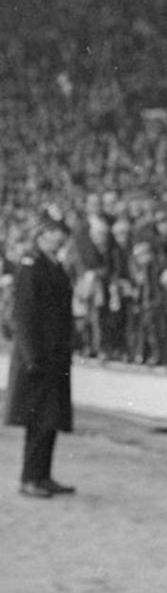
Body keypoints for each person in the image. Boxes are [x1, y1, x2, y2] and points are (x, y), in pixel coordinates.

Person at [3, 206, 77, 498]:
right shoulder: (31, 265)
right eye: (55, 232)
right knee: (37, 420)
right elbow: (24, 315)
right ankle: (29, 478)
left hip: (54, 356)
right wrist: (32, 356)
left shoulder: (53, 265)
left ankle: (43, 475)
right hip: (38, 358)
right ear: (42, 234)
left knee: (50, 420)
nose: (60, 237)